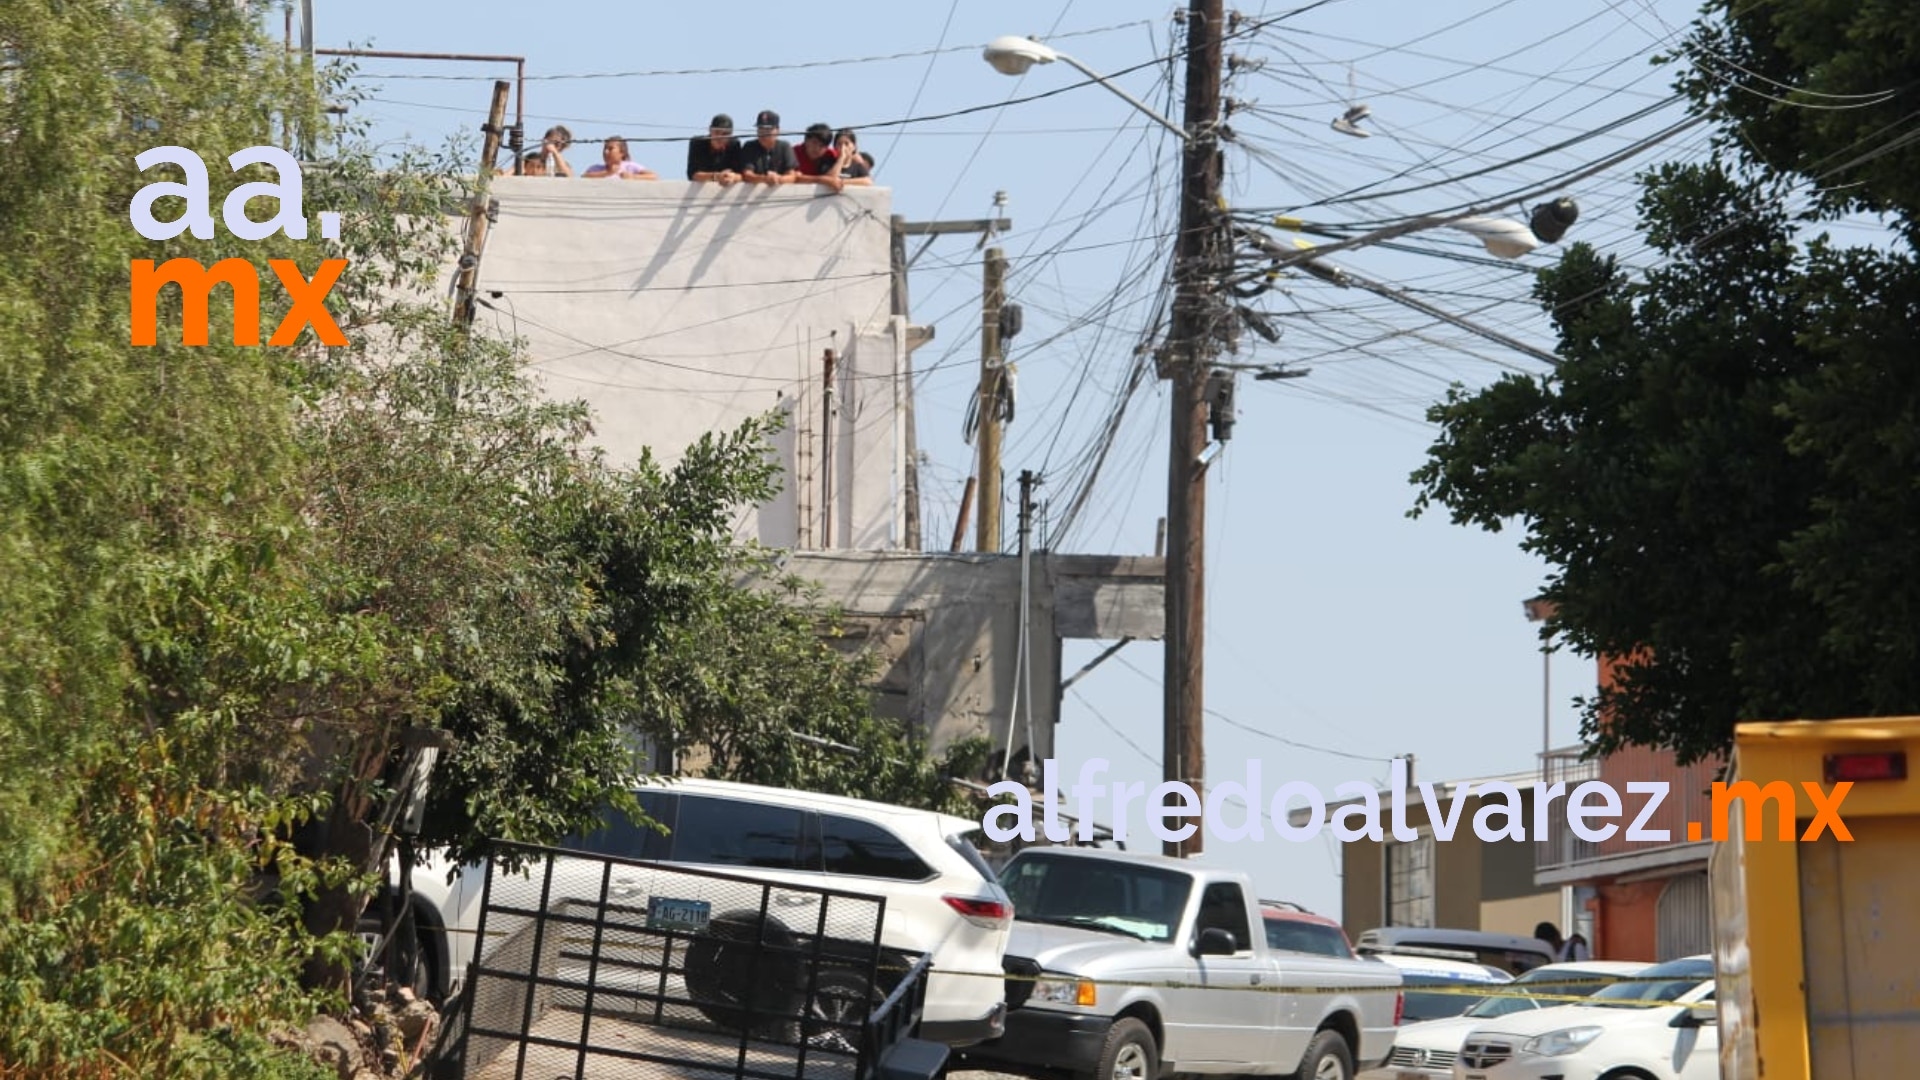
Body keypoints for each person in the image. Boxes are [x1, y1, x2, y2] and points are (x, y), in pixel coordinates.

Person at [736, 109, 798, 184]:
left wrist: (778, 179)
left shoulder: (784, 147)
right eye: (760, 129)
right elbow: (747, 175)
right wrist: (765, 179)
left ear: (777, 130)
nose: (763, 133)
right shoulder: (749, 147)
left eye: (768, 129)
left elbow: (792, 176)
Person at [687, 113, 742, 183]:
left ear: (731, 134)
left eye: (725, 134)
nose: (720, 137)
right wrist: (716, 176)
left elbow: (741, 175)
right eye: (717, 132)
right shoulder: (698, 143)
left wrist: (733, 177)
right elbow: (692, 175)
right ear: (710, 130)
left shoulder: (734, 145)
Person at [582, 136, 657, 180]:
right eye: (605, 149)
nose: (606, 152)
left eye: (610, 149)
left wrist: (633, 176)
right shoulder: (596, 168)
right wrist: (607, 173)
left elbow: (653, 176)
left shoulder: (629, 166)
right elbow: (584, 177)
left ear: (622, 152)